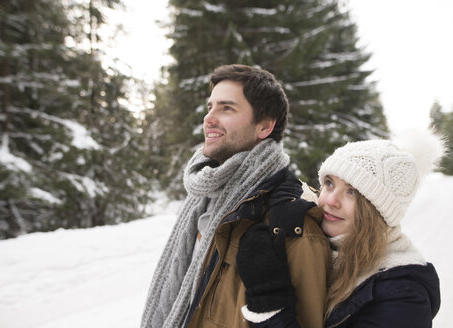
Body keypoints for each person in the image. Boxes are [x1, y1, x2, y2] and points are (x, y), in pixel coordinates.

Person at [140, 64, 332, 328]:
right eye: (210, 107)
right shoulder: (203, 196)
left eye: (226, 108)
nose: (208, 118)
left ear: (264, 127)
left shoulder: (291, 222)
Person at [236, 129, 443, 328]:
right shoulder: (319, 241)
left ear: (380, 211)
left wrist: (271, 307)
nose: (331, 201)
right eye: (329, 183)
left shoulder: (403, 296)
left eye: (352, 191)